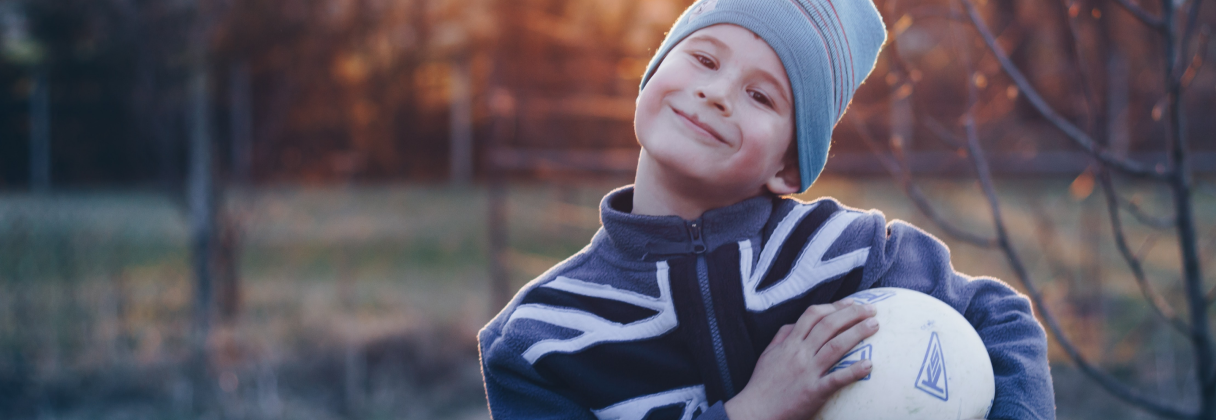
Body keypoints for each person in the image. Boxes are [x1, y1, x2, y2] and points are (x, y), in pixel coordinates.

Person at [478, 0, 1055, 418]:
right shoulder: (541, 340)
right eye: (704, 59)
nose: (716, 92)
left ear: (788, 168)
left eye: (760, 95)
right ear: (652, 73)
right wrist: (752, 410)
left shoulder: (849, 253)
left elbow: (1002, 318)